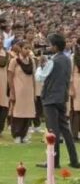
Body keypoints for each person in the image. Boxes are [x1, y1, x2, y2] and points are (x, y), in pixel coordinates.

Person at [36, 34, 80, 169]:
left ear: (55, 46)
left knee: (52, 130)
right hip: (62, 97)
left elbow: (40, 77)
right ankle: (74, 160)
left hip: (50, 98)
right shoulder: (68, 60)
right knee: (65, 130)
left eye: (50, 45)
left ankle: (54, 161)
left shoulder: (53, 61)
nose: (48, 47)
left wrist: (39, 66)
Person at [8, 41, 36, 144]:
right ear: (20, 49)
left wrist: (34, 92)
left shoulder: (31, 61)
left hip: (28, 91)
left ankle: (24, 135)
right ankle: (16, 135)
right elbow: (10, 77)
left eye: (29, 48)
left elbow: (33, 77)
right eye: (25, 48)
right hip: (18, 90)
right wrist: (12, 91)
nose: (28, 51)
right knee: (18, 114)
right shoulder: (14, 61)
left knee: (28, 114)